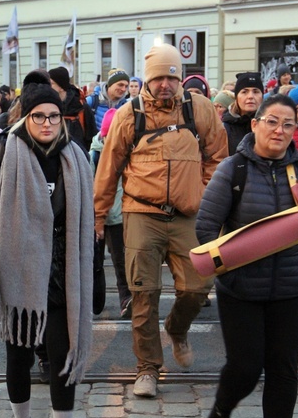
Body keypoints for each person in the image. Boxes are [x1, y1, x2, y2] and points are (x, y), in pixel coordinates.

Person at [196, 94, 298, 418]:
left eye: (288, 124)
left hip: (292, 288)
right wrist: (231, 268)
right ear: (255, 124)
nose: (279, 130)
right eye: (272, 121)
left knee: (283, 368)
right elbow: (206, 226)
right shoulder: (233, 169)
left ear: (296, 130)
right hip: (241, 290)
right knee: (245, 366)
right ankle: (222, 410)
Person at [0, 71, 94, 418]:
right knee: (19, 359)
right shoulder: (6, 155)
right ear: (25, 118)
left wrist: (96, 272)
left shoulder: (75, 158)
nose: (47, 124)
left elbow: (87, 222)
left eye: (53, 117)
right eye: (39, 117)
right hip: (19, 275)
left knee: (61, 357)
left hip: (63, 277)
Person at [94, 44, 228, 398]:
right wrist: (98, 214)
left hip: (188, 215)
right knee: (143, 295)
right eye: (158, 77)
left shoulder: (198, 108)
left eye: (172, 76)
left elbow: (218, 156)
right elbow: (109, 169)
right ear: (148, 79)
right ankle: (148, 369)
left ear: (180, 77)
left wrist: (202, 193)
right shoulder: (128, 114)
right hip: (141, 213)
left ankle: (177, 328)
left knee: (198, 288)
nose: (166, 83)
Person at [89, 107, 132, 317]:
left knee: (121, 260)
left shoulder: (130, 150)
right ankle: (96, 299)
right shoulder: (95, 154)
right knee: (94, 261)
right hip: (98, 214)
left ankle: (126, 298)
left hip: (120, 216)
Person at [48, 66, 98, 150]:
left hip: (79, 157)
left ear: (61, 87)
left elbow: (91, 137)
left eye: (51, 83)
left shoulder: (82, 107)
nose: (48, 86)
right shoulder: (47, 106)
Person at [222, 72, 264, 156]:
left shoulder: (270, 125)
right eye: (244, 92)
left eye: (256, 92)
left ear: (262, 96)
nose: (250, 96)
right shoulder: (224, 129)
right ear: (236, 97)